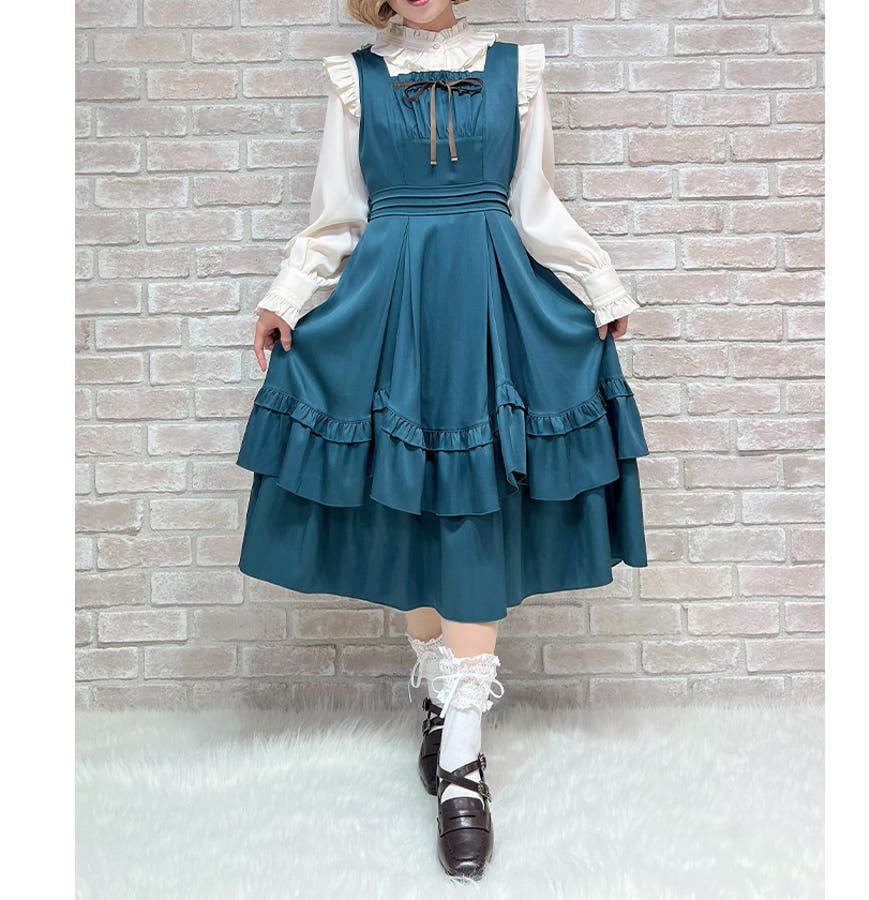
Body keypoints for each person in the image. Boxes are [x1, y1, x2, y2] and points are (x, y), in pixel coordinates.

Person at [235, 0, 650, 880]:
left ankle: (463, 758)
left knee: (472, 515)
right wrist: (288, 295)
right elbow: (338, 217)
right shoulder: (355, 79)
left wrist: (600, 284)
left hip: (492, 302)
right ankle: (440, 698)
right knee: (417, 511)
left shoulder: (517, 70)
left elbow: (535, 205)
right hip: (389, 304)